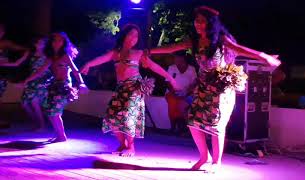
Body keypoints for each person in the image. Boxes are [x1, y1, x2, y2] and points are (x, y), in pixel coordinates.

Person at [150, 6, 281, 172]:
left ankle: (216, 162)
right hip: (203, 87)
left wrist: (263, 56)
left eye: (202, 21)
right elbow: (172, 48)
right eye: (197, 21)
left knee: (216, 125)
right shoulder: (195, 41)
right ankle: (204, 157)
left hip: (221, 89)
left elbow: (241, 50)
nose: (198, 24)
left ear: (210, 23)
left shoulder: (221, 39)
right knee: (192, 122)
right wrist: (149, 51)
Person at [81, 24, 179, 157]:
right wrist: (88, 64)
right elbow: (101, 59)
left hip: (134, 88)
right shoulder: (116, 53)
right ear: (124, 35)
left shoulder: (138, 53)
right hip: (120, 88)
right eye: (131, 34)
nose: (134, 37)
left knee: (128, 116)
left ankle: (131, 147)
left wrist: (171, 79)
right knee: (112, 117)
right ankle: (122, 145)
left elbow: (154, 67)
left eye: (136, 35)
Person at [22, 32, 88, 142]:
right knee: (50, 111)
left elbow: (75, 71)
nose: (57, 42)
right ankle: (60, 135)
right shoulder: (51, 57)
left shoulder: (65, 56)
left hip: (64, 86)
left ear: (64, 43)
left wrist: (81, 83)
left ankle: (61, 136)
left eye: (60, 40)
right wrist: (27, 79)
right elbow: (40, 71)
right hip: (54, 86)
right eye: (54, 40)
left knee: (54, 112)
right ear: (51, 42)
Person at [0, 36, 53, 131]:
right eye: (38, 42)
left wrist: (25, 81)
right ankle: (37, 122)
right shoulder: (30, 53)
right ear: (35, 43)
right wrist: (3, 64)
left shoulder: (48, 55)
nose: (39, 44)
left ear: (45, 44)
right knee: (24, 103)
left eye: (42, 43)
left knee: (34, 102)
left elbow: (41, 71)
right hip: (31, 79)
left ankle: (41, 125)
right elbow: (17, 63)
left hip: (42, 80)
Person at [165, 52, 197, 135]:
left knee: (184, 103)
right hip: (172, 92)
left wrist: (187, 92)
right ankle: (173, 126)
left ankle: (183, 127)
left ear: (182, 58)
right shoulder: (171, 68)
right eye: (174, 58)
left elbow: (194, 83)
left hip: (187, 93)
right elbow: (168, 82)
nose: (175, 60)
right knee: (173, 102)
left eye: (176, 58)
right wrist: (174, 92)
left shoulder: (191, 69)